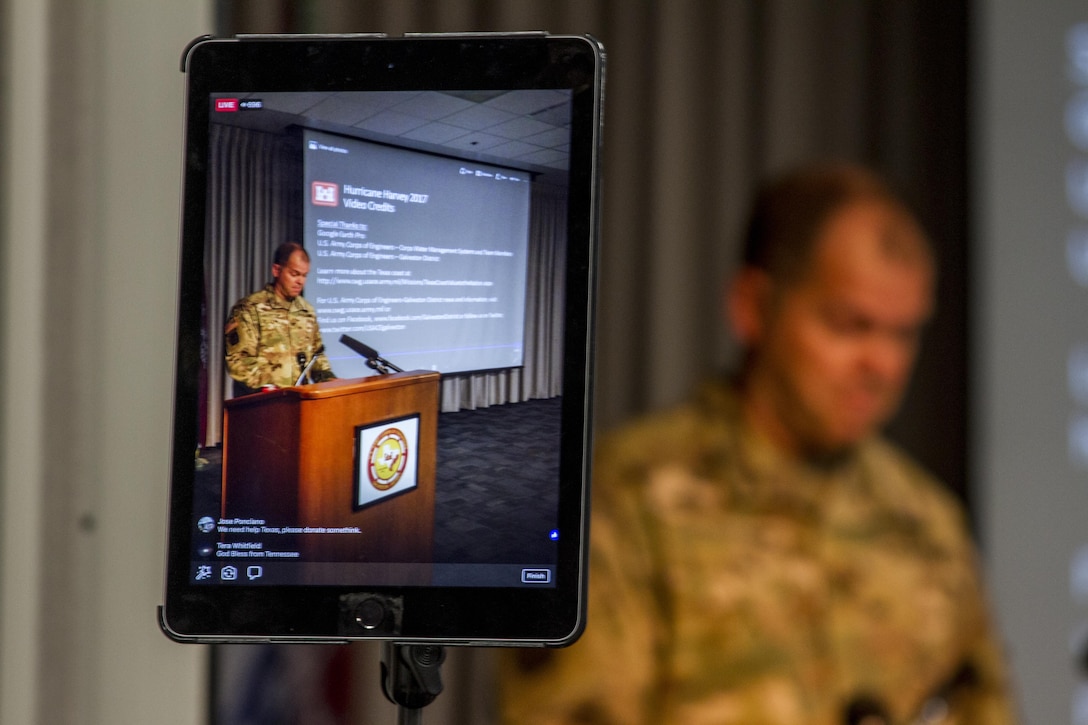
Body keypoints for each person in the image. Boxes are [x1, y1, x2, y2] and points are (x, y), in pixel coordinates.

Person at [498, 163, 1018, 724]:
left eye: (904, 332)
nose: (882, 364)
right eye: (849, 324)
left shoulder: (929, 525)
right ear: (753, 306)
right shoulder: (622, 503)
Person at [225, 242, 335, 395]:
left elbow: (316, 358)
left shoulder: (306, 311)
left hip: (298, 407)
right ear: (277, 270)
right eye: (294, 274)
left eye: (304, 275)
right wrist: (270, 389)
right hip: (260, 406)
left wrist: (330, 381)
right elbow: (238, 360)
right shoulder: (250, 309)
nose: (300, 281)